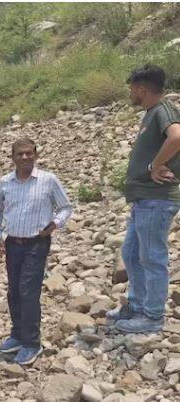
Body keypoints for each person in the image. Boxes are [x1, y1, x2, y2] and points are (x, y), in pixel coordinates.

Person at [107, 65, 180, 333]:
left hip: (156, 198)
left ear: (142, 89)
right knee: (131, 253)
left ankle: (152, 316)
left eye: (132, 88)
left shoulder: (164, 110)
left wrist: (154, 165)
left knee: (151, 257)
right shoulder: (152, 113)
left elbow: (177, 137)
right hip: (144, 200)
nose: (130, 92)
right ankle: (136, 306)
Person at [0, 137, 73, 365]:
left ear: (36, 155)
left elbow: (66, 207)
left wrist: (55, 224)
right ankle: (17, 335)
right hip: (12, 244)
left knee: (28, 292)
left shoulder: (48, 180)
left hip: (37, 244)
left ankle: (31, 343)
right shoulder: (5, 183)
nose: (25, 157)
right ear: (13, 157)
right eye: (20, 154)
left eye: (29, 153)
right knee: (14, 292)